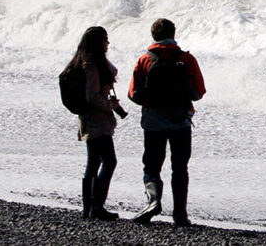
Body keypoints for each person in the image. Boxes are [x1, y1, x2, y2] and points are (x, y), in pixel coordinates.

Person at [128, 17, 206, 227]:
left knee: (152, 166)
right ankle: (180, 215)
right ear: (173, 34)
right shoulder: (187, 59)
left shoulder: (145, 60)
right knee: (180, 167)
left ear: (153, 36)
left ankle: (154, 201)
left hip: (153, 122)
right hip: (181, 121)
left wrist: (153, 101)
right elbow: (199, 92)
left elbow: (133, 95)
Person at [62, 26, 122, 221]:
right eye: (105, 39)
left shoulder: (85, 61)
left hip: (89, 120)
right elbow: (92, 96)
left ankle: (89, 208)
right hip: (97, 121)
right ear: (98, 42)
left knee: (94, 162)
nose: (108, 43)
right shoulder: (92, 64)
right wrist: (108, 105)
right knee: (109, 161)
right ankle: (97, 206)